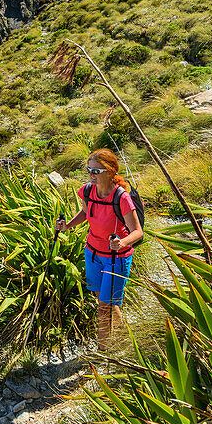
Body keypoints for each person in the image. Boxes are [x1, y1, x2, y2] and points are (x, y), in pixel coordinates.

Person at [55, 149, 143, 352]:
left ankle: (103, 351)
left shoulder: (121, 198)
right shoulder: (87, 191)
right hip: (92, 253)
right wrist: (67, 225)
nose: (91, 174)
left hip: (116, 258)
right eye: (89, 170)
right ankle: (122, 336)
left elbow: (137, 232)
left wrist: (122, 242)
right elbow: (86, 212)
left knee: (104, 308)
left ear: (110, 171)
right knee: (102, 299)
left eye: (96, 170)